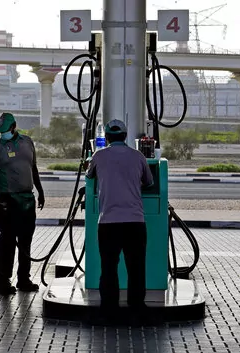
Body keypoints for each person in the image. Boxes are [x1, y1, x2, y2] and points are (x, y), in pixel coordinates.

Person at [85, 119, 154, 316]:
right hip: (135, 221)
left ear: (106, 137)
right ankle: (137, 306)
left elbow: (89, 176)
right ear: (125, 136)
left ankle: (109, 306)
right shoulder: (138, 156)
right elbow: (149, 182)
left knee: (108, 266)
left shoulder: (99, 156)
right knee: (136, 267)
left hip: (108, 222)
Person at [0, 112, 45, 295]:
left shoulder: (28, 142)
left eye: (5, 130)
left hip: (27, 199)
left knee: (26, 241)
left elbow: (33, 168)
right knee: (7, 241)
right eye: (0, 131)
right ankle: (3, 280)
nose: (3, 134)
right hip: (7, 202)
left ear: (14, 126)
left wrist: (40, 192)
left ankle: (23, 279)